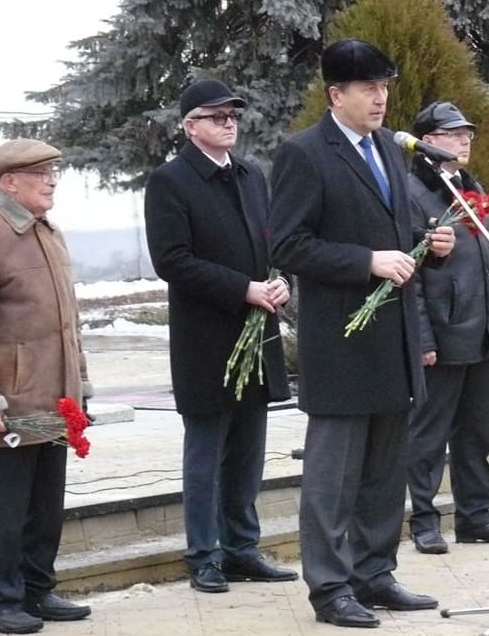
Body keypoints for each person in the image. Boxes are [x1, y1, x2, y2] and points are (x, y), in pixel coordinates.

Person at [268, 39, 455, 629]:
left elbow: (398, 234)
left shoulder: (388, 149)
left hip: (392, 340)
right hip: (341, 344)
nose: (380, 99)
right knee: (334, 477)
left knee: (384, 470)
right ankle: (329, 587)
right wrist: (366, 261)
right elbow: (288, 243)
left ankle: (374, 573)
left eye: (385, 88)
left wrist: (432, 246)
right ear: (336, 95)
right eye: (368, 88)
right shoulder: (305, 154)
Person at [144, 79, 298, 595]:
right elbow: (173, 260)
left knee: (248, 452)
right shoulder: (170, 181)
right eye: (216, 117)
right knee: (207, 454)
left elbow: (274, 241)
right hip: (207, 339)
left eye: (233, 116)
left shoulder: (252, 176)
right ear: (190, 127)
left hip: (257, 335)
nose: (229, 123)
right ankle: (204, 555)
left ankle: (241, 548)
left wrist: (280, 282)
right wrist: (244, 290)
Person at [0, 139, 93, 634]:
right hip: (10, 404)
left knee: (46, 504)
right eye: (42, 173)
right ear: (9, 181)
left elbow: (69, 323)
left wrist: (81, 389)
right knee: (8, 507)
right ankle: (0, 601)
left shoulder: (47, 230)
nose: (53, 180)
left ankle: (37, 590)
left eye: (55, 170)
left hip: (55, 399)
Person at [404, 101, 489, 556]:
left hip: (480, 332)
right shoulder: (413, 194)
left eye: (466, 132)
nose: (465, 139)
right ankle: (425, 521)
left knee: (475, 433)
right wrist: (423, 340)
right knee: (429, 435)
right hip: (443, 334)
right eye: (453, 133)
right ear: (428, 142)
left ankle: (476, 516)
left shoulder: (470, 189)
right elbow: (408, 276)